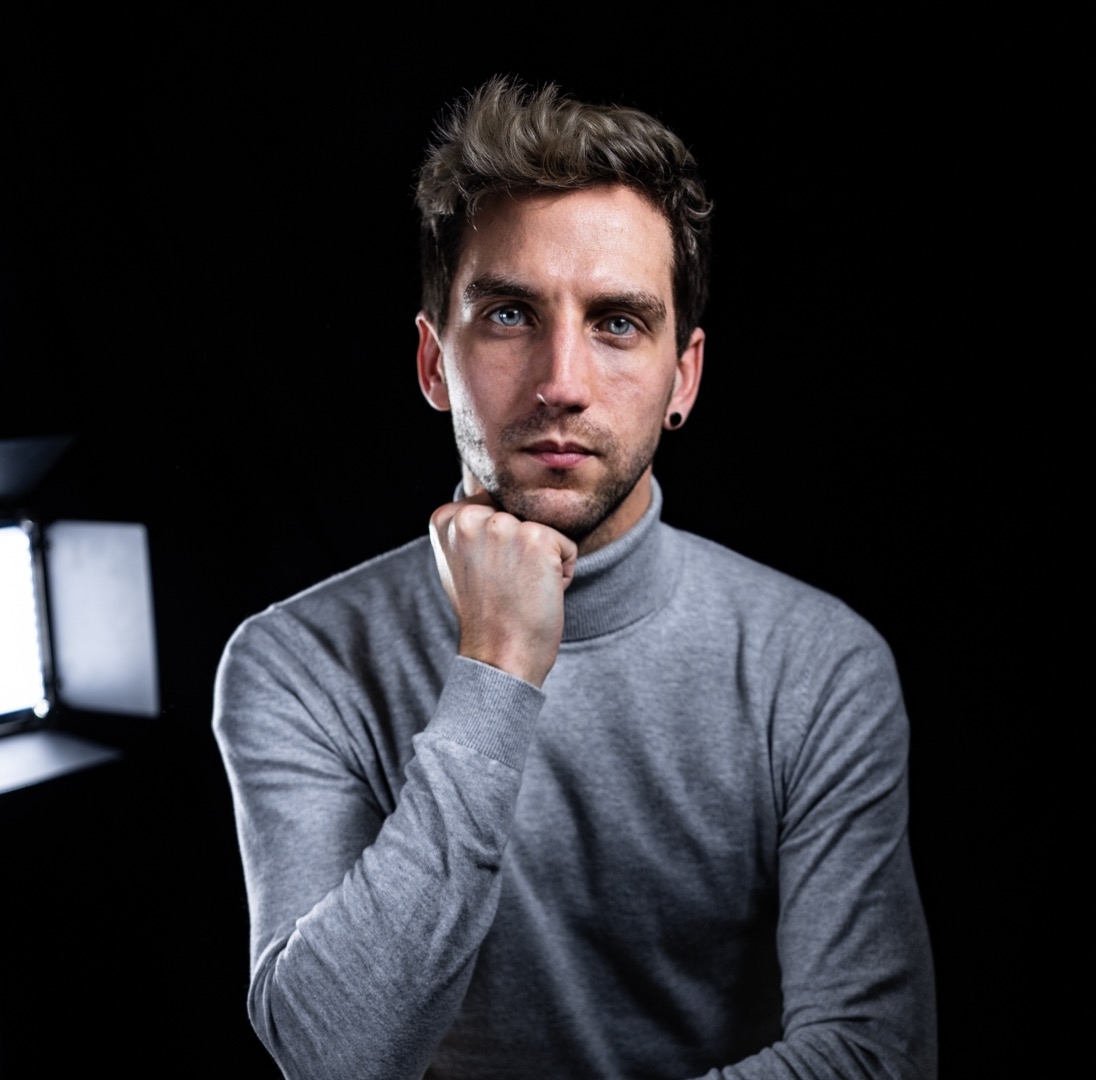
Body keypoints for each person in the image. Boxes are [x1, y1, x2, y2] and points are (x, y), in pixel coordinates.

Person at [213, 77, 936, 1079]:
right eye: (510, 314)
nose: (561, 382)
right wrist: (496, 669)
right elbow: (335, 1058)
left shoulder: (815, 665)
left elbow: (872, 1056)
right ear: (434, 363)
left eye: (617, 323)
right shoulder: (297, 661)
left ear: (683, 376)